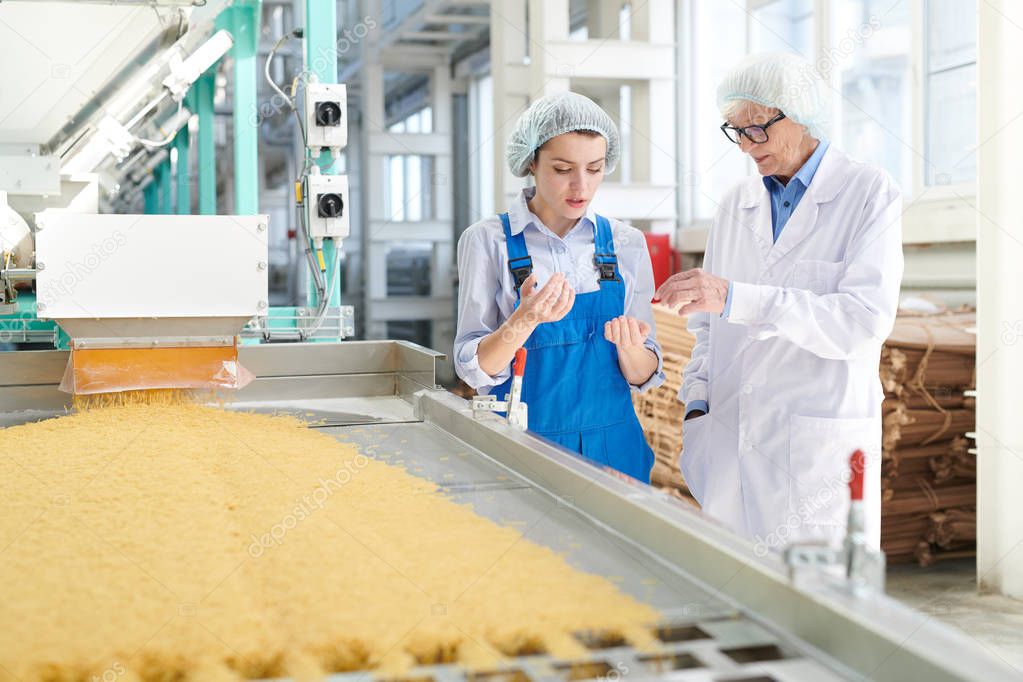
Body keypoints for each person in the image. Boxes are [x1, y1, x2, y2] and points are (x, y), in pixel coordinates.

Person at [656, 52, 903, 549]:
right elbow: (707, 329)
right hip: (728, 443)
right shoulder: (735, 204)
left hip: (817, 452)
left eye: (758, 128)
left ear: (801, 112)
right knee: (735, 599)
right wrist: (697, 409)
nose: (747, 146)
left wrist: (739, 298)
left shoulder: (867, 192)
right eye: (735, 131)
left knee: (820, 608)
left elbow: (861, 323)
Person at [454, 91, 664, 482]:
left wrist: (629, 348)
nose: (580, 185)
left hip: (615, 454)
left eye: (595, 168)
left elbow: (644, 372)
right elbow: (473, 370)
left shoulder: (626, 243)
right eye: (563, 168)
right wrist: (523, 320)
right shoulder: (488, 241)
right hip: (523, 452)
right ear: (531, 161)